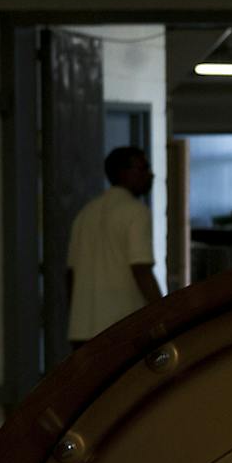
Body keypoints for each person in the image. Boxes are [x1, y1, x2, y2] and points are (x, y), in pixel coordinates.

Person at [66, 145, 162, 347]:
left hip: (82, 330)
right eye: (143, 168)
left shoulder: (85, 214)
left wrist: (77, 314)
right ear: (122, 173)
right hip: (122, 328)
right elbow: (141, 269)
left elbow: (70, 275)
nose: (150, 174)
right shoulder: (136, 212)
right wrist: (162, 312)